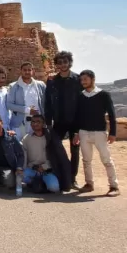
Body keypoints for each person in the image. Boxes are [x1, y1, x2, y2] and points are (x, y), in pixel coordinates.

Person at [73, 70, 120, 196]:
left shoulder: (103, 94)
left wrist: (113, 133)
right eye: (81, 80)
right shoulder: (81, 96)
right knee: (86, 160)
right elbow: (78, 116)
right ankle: (89, 184)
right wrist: (77, 133)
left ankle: (114, 186)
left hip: (99, 132)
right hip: (84, 132)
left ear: (92, 79)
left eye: (85, 79)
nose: (83, 82)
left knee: (106, 159)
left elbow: (111, 114)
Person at [45, 51, 82, 189]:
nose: (62, 65)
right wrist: (48, 122)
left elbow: (82, 102)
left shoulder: (78, 80)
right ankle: (58, 174)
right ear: (56, 65)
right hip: (59, 120)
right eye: (59, 62)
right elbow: (47, 103)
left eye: (65, 62)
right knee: (53, 147)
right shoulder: (52, 81)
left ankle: (72, 178)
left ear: (70, 63)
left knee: (75, 150)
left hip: (75, 121)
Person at [22, 114, 72, 193]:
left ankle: (41, 184)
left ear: (43, 124)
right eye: (33, 122)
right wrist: (30, 167)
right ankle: (35, 184)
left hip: (47, 171)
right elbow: (24, 157)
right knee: (20, 176)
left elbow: (56, 157)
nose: (35, 124)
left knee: (54, 188)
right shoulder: (26, 139)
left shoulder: (50, 137)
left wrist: (44, 167)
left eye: (38, 122)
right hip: (33, 169)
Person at [7, 62, 46, 140]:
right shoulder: (13, 86)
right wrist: (27, 110)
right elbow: (9, 105)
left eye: (29, 70)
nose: (27, 72)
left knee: (37, 147)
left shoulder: (40, 85)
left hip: (38, 123)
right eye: (25, 70)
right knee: (21, 148)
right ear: (20, 71)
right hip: (21, 123)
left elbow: (46, 102)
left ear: (33, 71)